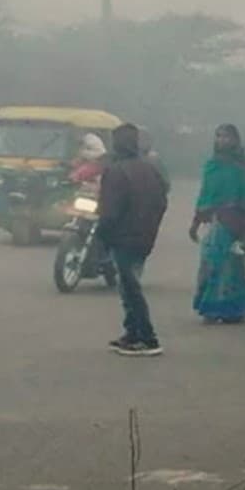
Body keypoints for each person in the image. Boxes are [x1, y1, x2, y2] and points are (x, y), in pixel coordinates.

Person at [97, 124, 170, 356]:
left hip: (124, 237)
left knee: (130, 288)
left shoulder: (116, 171)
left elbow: (109, 211)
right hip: (145, 236)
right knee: (128, 284)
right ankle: (132, 332)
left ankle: (148, 338)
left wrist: (103, 235)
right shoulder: (150, 169)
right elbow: (162, 201)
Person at [189, 124, 245, 324]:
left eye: (226, 137)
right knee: (212, 264)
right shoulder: (213, 165)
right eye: (218, 136)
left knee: (237, 268)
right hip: (217, 223)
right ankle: (210, 308)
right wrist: (196, 222)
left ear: (236, 140)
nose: (222, 140)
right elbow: (205, 195)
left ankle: (235, 310)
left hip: (241, 223)